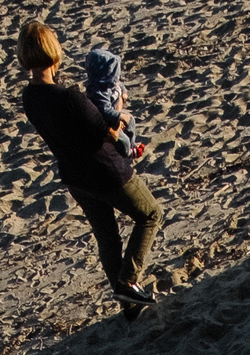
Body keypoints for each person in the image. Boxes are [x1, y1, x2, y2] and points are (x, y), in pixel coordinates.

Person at [17, 19, 162, 314]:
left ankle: (128, 305)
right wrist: (120, 109)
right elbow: (104, 129)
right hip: (106, 171)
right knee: (150, 214)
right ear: (53, 52)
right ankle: (128, 281)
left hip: (76, 178)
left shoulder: (29, 97)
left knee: (108, 238)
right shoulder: (69, 96)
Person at [83, 41, 142, 163]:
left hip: (115, 112)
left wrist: (124, 92)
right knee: (122, 139)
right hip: (106, 122)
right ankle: (128, 152)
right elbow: (104, 110)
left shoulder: (112, 83)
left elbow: (120, 86)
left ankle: (132, 144)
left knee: (131, 121)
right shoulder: (98, 91)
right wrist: (119, 116)